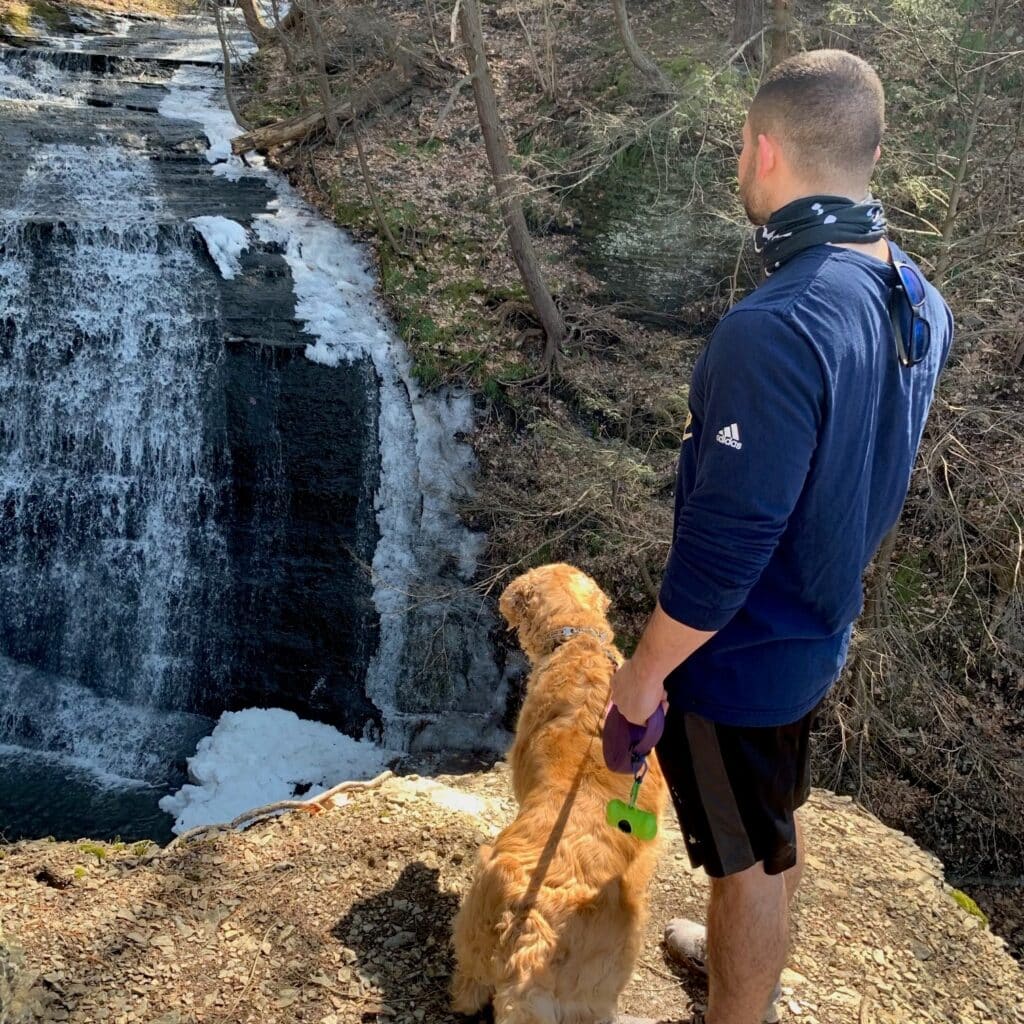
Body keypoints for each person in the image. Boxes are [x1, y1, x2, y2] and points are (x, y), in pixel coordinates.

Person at [607, 49, 953, 1024]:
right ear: (872, 152)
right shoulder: (916, 299)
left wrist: (640, 679)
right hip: (818, 627)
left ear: (760, 153)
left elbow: (723, 555)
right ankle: (732, 957)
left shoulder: (776, 325)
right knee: (768, 822)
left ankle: (739, 1007)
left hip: (741, 657)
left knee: (745, 857)